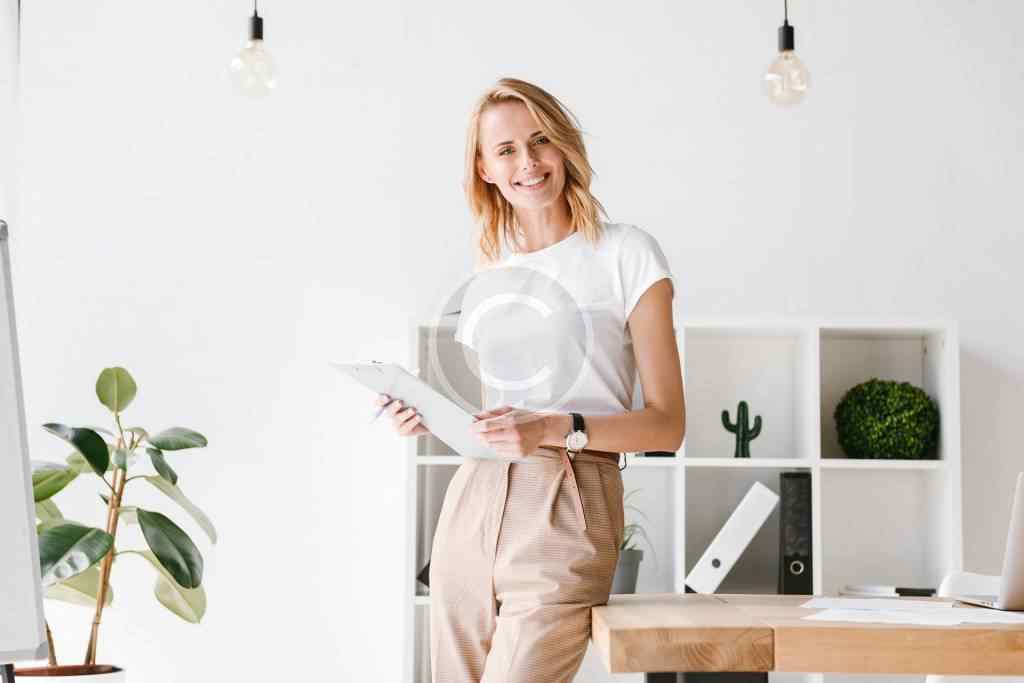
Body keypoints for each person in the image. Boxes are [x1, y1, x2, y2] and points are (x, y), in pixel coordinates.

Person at [375, 77, 685, 682]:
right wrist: (429, 417)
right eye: (506, 150)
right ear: (484, 169)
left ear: (564, 145)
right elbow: (497, 419)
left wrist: (552, 427)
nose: (528, 162)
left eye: (540, 140)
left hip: (570, 494)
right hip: (475, 500)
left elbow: (668, 425)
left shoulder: (627, 254)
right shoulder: (490, 273)